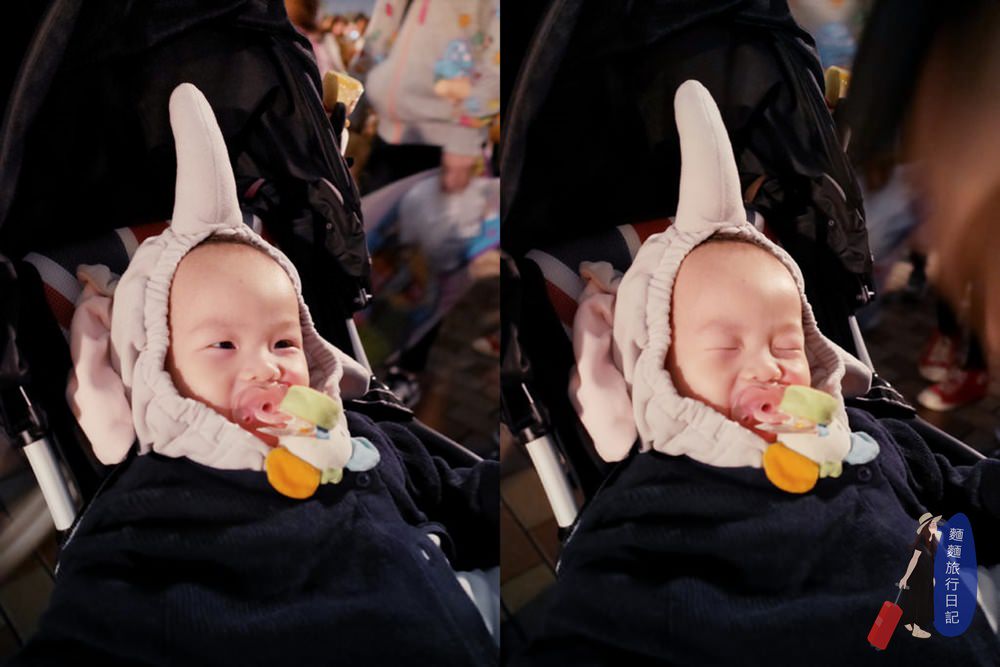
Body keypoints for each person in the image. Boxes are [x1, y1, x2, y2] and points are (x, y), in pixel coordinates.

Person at [8, 84, 498, 666]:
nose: (267, 365)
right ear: (161, 369)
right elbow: (96, 620)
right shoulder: (151, 501)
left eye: (284, 342)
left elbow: (464, 495)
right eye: (223, 345)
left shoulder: (366, 438)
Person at [515, 81, 1000, 664]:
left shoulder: (869, 435)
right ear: (659, 368)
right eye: (726, 346)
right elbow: (595, 617)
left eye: (787, 343)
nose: (769, 365)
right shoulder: (648, 500)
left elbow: (964, 497)